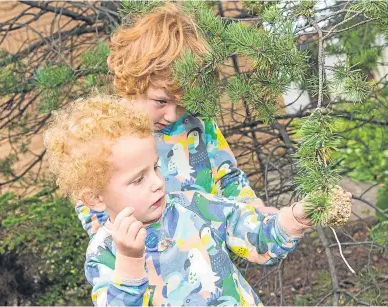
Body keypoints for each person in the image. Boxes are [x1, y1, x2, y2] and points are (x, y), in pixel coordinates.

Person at [44, 95, 352, 306]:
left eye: (154, 168)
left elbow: (254, 235)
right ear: (95, 198)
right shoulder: (105, 253)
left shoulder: (192, 205)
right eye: (138, 179)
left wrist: (294, 218)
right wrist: (129, 260)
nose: (156, 183)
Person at [75, 2, 276, 238]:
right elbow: (90, 200)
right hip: (146, 260)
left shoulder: (200, 127)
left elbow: (229, 178)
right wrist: (112, 242)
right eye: (160, 101)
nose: (172, 115)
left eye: (183, 104)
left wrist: (255, 213)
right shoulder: (108, 135)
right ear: (135, 80)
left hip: (206, 255)